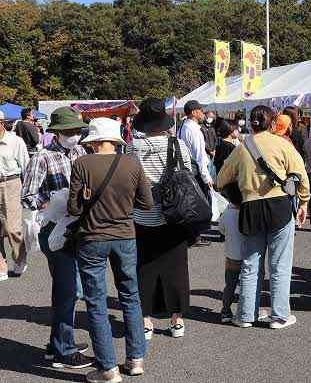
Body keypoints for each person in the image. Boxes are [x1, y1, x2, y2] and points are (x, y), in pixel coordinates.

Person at [68, 117, 153, 382]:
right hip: (125, 235)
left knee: (96, 301)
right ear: (115, 139)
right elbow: (146, 203)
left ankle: (108, 369)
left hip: (92, 237)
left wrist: (86, 197)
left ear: (93, 141)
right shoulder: (132, 162)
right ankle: (136, 359)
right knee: (130, 296)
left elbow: (73, 209)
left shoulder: (82, 164)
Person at [216, 105, 310, 329]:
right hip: (278, 206)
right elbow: (300, 173)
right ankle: (279, 316)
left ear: (250, 123)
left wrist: (241, 193)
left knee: (251, 263)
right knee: (280, 264)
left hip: (250, 209)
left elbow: (220, 180)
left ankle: (246, 315)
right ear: (272, 122)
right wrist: (304, 201)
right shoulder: (282, 144)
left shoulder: (240, 148)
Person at [21, 106, 93, 369]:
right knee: (68, 289)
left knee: (67, 290)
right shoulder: (43, 158)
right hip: (54, 228)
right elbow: (28, 195)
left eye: (77, 131)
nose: (75, 135)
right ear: (57, 133)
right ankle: (65, 350)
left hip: (78, 226)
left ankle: (58, 344)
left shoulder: (81, 152)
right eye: (70, 131)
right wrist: (51, 202)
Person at [130, 98, 194, 340]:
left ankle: (145, 321)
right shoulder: (178, 145)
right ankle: (176, 320)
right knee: (177, 266)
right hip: (174, 214)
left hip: (143, 215)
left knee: (144, 266)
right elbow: (187, 174)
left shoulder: (133, 148)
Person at [0, 109, 30, 280]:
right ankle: (1, 265)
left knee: (12, 228)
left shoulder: (15, 141)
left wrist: (29, 192)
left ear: (2, 123)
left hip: (11, 183)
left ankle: (20, 257)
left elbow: (26, 166)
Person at [178, 100, 213, 189]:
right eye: (201, 110)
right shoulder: (194, 130)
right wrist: (206, 178)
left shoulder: (183, 127)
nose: (203, 114)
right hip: (197, 174)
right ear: (194, 112)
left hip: (187, 172)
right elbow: (199, 156)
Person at [217, 203, 243, 324]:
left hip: (231, 255)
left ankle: (226, 311)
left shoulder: (227, 213)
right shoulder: (247, 210)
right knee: (247, 284)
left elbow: (221, 230)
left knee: (229, 285)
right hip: (247, 254)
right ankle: (245, 310)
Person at [202, 110, 218, 176]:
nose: (211, 118)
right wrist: (209, 150)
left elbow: (215, 139)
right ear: (205, 116)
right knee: (208, 168)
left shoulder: (212, 128)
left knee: (212, 168)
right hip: (206, 152)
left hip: (213, 152)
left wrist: (214, 149)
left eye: (212, 117)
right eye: (209, 116)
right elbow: (203, 141)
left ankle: (213, 183)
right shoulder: (201, 127)